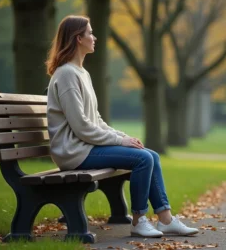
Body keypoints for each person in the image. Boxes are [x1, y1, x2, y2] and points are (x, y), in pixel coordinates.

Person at [45, 15, 198, 238]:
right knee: (142, 159)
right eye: (90, 33)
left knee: (151, 155)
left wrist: (124, 137)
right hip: (73, 152)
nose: (94, 37)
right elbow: (81, 127)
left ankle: (165, 219)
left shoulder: (82, 73)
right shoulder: (67, 74)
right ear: (78, 39)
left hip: (85, 147)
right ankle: (138, 221)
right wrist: (120, 141)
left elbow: (95, 119)